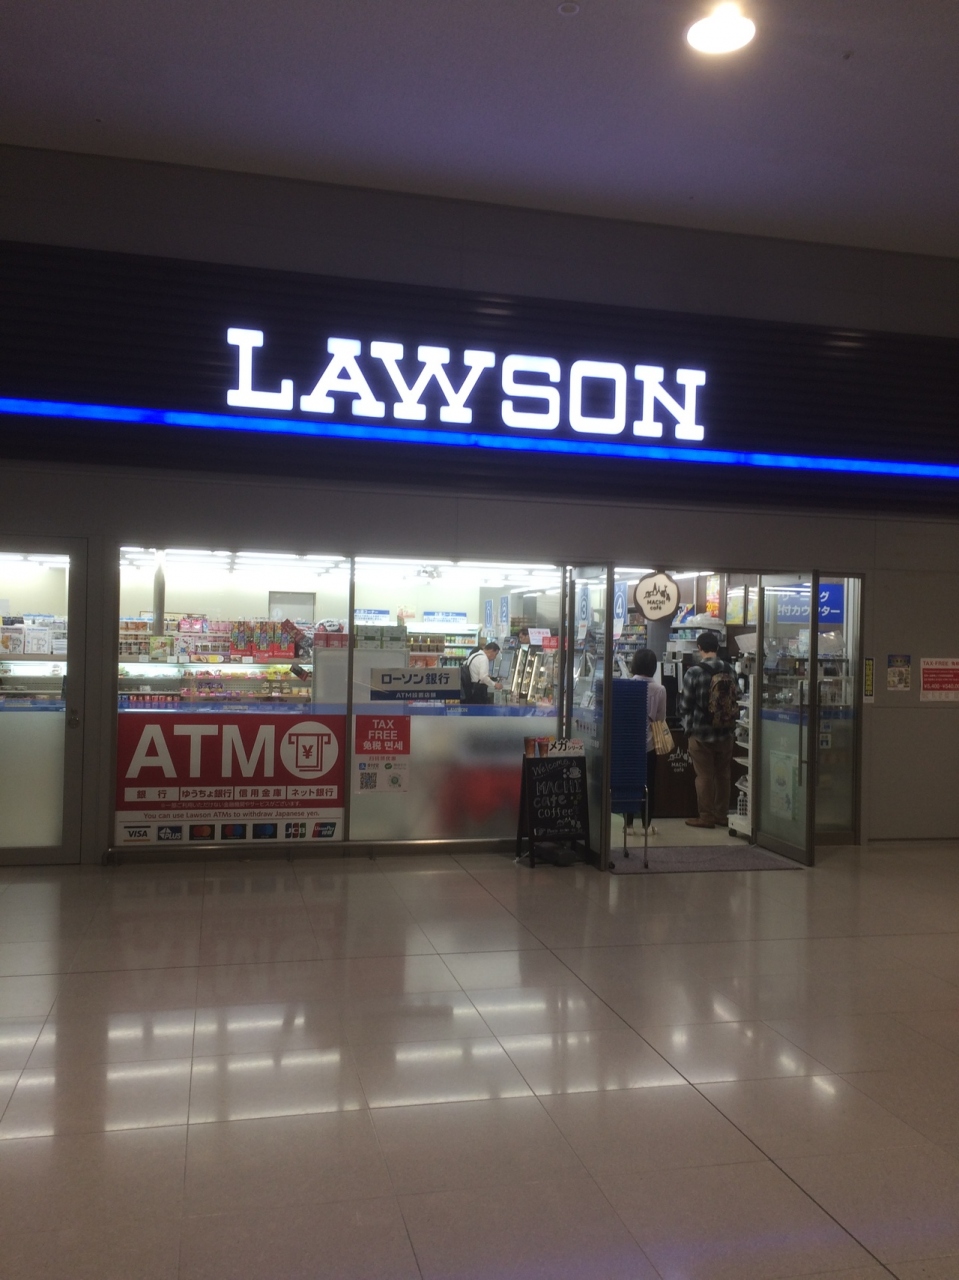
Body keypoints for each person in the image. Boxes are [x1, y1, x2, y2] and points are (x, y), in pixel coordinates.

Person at [680, 631, 739, 828]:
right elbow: (737, 696)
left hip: (701, 732)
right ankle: (722, 814)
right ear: (717, 647)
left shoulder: (694, 672)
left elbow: (685, 704)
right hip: (726, 731)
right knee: (723, 774)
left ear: (699, 648)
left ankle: (706, 816)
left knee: (704, 775)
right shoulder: (730, 669)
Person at [627, 647, 667, 832]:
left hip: (627, 744)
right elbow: (660, 719)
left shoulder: (627, 685)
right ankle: (646, 825)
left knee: (628, 782)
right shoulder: (660, 689)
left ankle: (628, 825)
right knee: (648, 784)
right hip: (649, 744)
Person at [464, 639, 501, 703]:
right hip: (478, 690)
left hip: (470, 687)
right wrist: (495, 684)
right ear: (491, 651)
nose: (495, 657)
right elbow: (483, 677)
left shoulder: (474, 655)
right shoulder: (483, 658)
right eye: (496, 654)